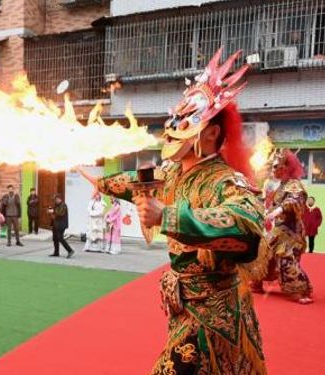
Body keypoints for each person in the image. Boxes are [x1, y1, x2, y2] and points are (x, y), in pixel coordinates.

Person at [79, 49, 267, 373]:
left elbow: (245, 228)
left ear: (211, 133)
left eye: (187, 120)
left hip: (213, 313)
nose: (173, 126)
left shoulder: (226, 181)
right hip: (182, 306)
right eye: (175, 117)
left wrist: (165, 216)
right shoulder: (172, 172)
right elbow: (134, 182)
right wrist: (102, 182)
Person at [251, 149, 314, 304]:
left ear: (285, 167)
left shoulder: (294, 185)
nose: (273, 169)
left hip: (291, 231)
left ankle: (298, 289)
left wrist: (278, 210)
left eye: (276, 166)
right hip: (280, 228)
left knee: (285, 256)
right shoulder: (282, 185)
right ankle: (256, 282)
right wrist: (268, 212)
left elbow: (293, 201)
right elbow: (274, 205)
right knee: (263, 249)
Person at [48, 194, 74, 258]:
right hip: (55, 224)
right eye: (54, 200)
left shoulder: (63, 205)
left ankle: (70, 250)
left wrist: (53, 211)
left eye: (56, 199)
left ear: (60, 199)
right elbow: (53, 214)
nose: (55, 201)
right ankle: (56, 252)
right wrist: (50, 210)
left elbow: (61, 213)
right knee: (55, 238)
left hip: (61, 224)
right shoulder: (55, 205)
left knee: (60, 238)